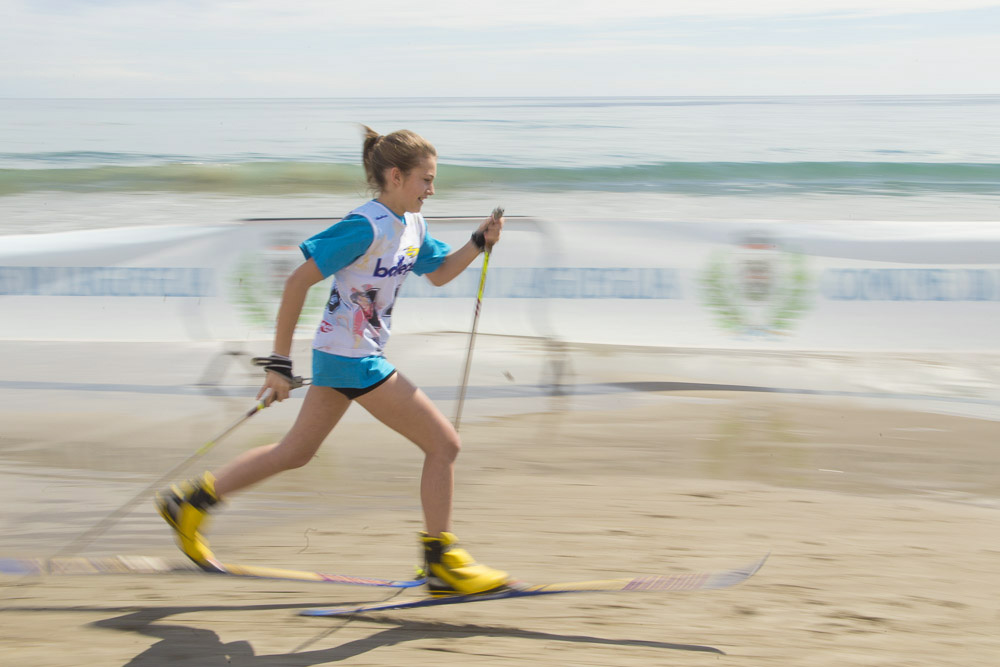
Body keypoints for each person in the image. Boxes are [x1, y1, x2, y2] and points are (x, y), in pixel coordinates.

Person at [156, 126, 508, 597]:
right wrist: (278, 363)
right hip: (353, 358)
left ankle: (191, 501)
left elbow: (441, 273)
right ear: (395, 175)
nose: (432, 188)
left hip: (347, 356)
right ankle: (440, 560)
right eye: (425, 179)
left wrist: (478, 243)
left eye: (433, 179)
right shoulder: (365, 225)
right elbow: (297, 281)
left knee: (294, 453)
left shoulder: (413, 226)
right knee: (444, 445)